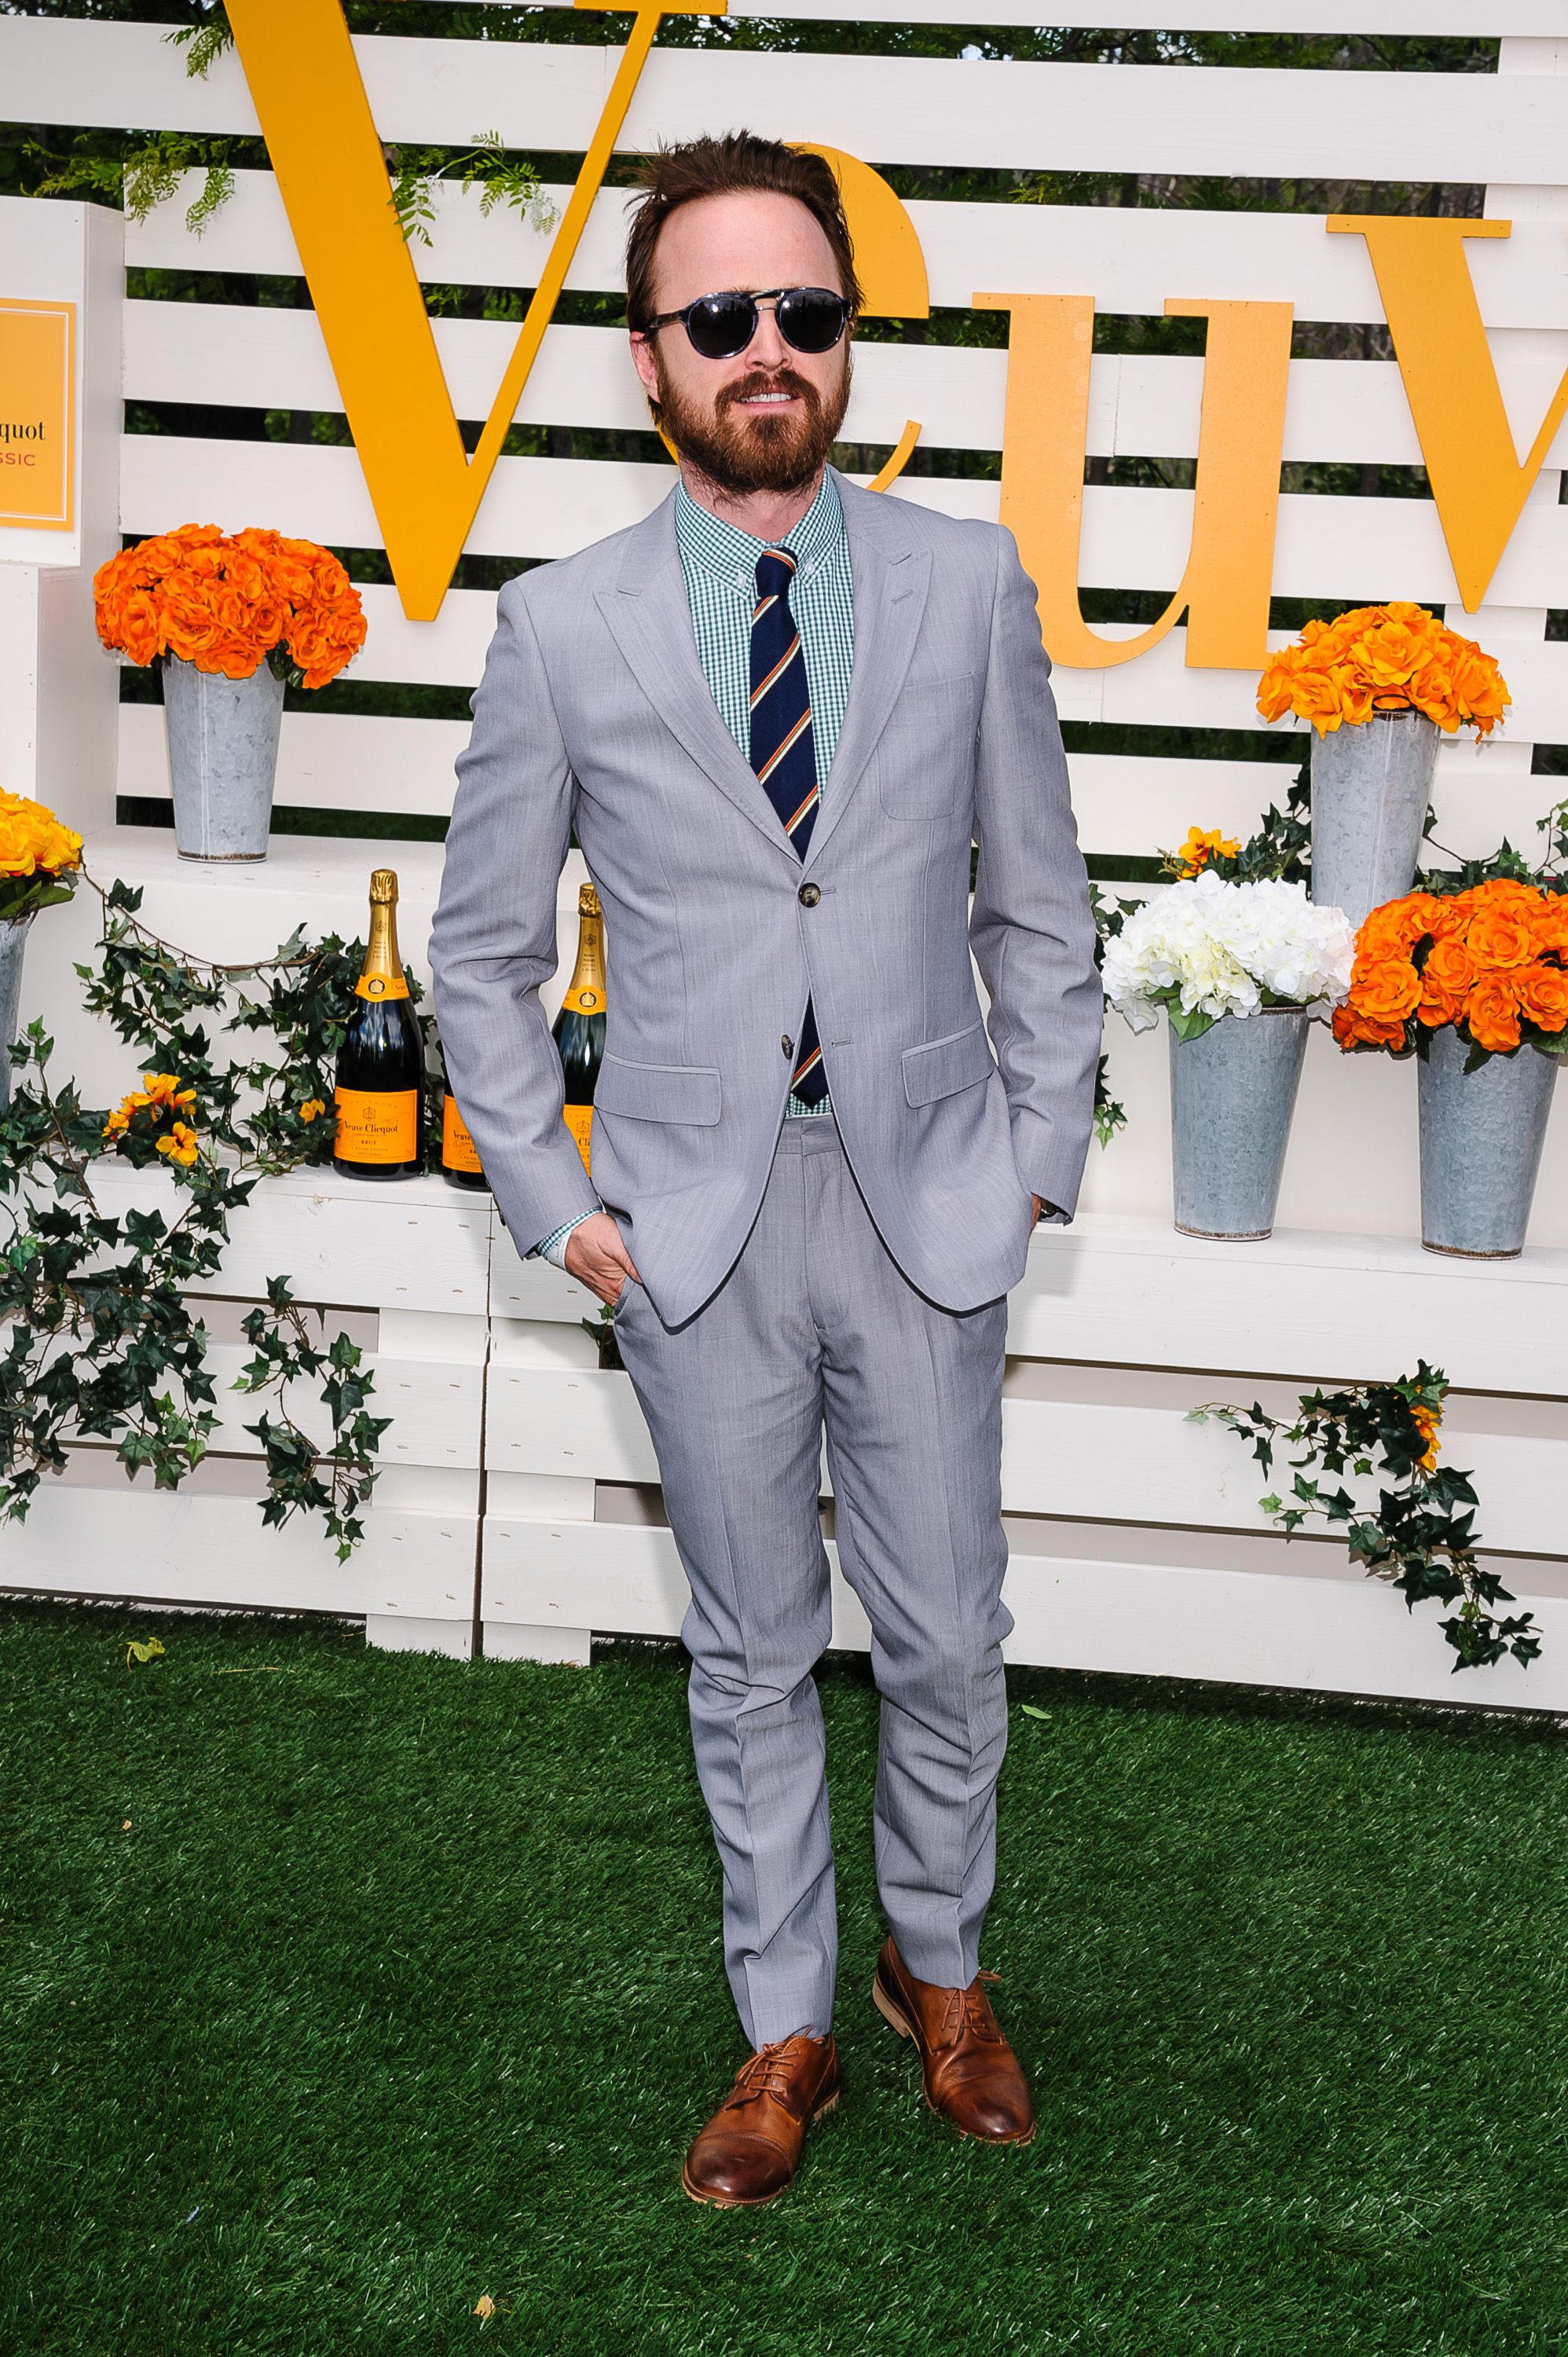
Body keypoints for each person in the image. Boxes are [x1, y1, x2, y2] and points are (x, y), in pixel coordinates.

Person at [430, 131, 1101, 2209]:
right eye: (719, 315)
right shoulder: (561, 626)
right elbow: (480, 957)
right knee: (745, 1651)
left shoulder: (966, 582)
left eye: (802, 311)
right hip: (690, 1229)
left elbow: (1039, 904)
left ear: (844, 337)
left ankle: (940, 1970)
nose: (765, 349)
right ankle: (785, 2021)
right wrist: (562, 1211)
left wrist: (1036, 1157)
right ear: (649, 358)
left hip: (926, 1203)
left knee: (949, 1635)